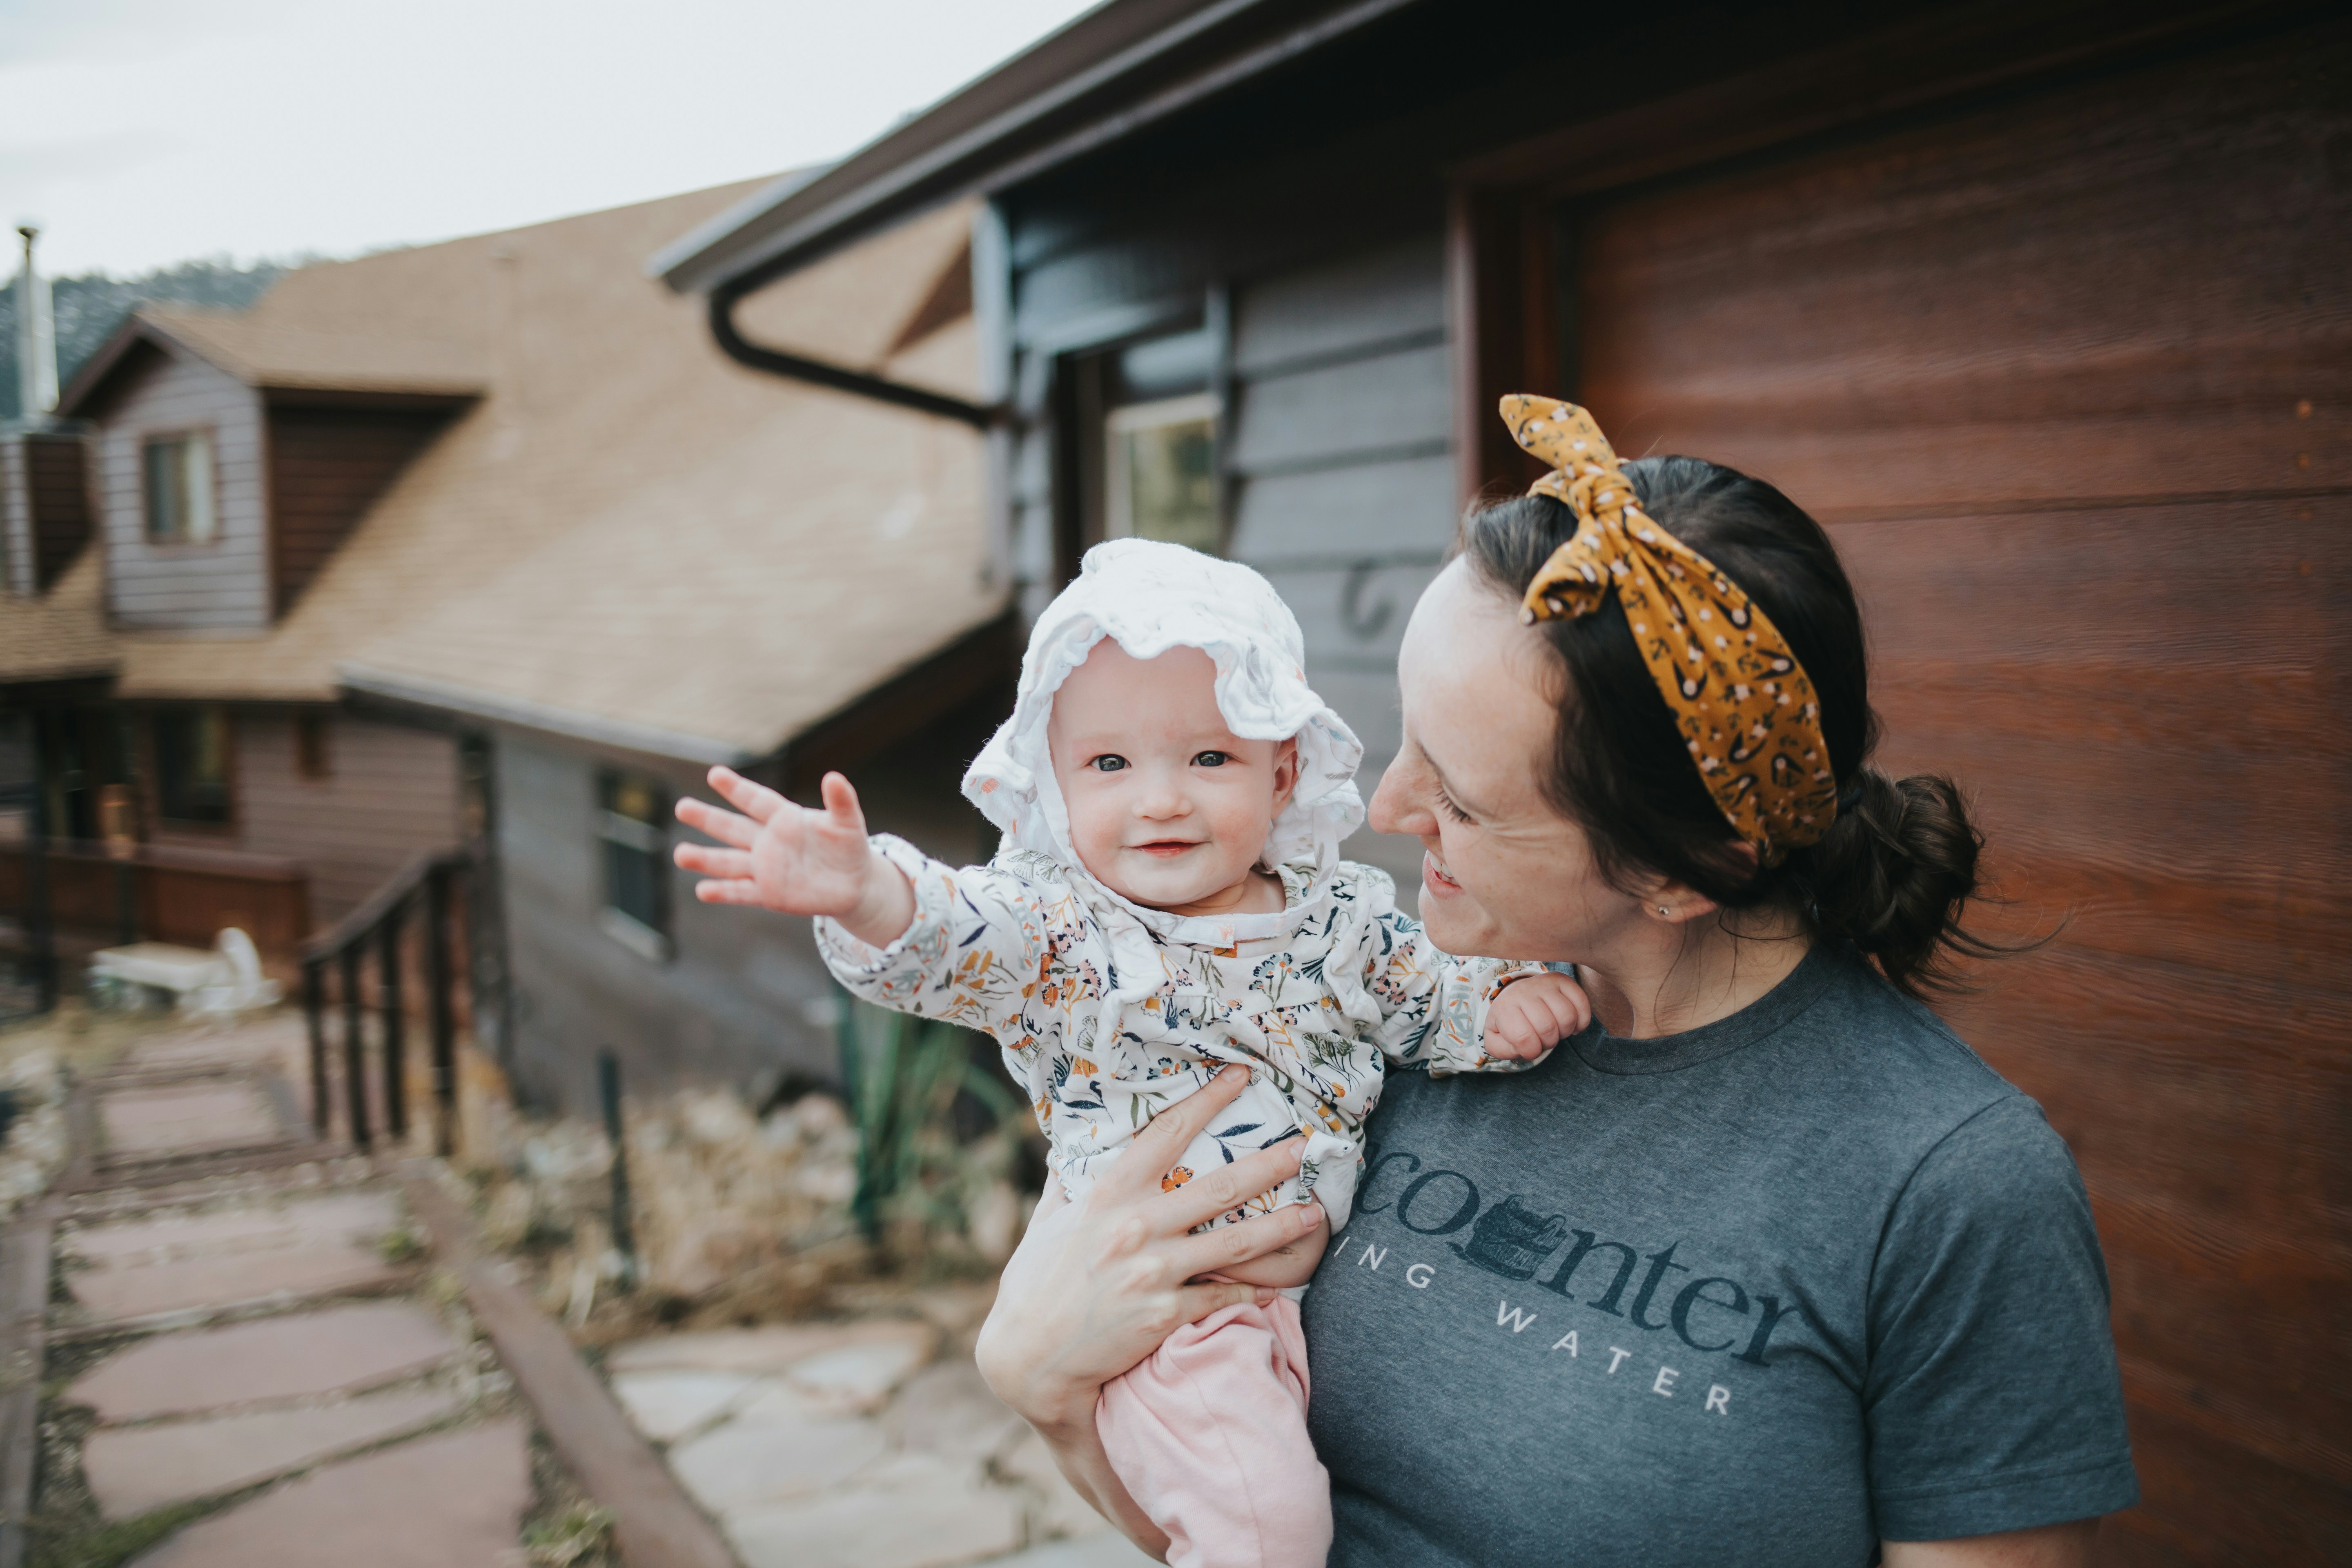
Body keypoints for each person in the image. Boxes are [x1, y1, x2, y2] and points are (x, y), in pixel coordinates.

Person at [973, 397, 2140, 1567]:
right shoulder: (1385, 1005)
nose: (1384, 810)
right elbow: (1209, 1501)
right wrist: (1044, 1382)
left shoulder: (1951, 1191)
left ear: (1686, 871)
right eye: (1404, 737)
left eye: (1462, 799)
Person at [672, 538, 1591, 1568]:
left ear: (1282, 771)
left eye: (1208, 759)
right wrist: (868, 893)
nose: (1160, 799)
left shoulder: (1338, 917)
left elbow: (1425, 995)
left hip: (1316, 1303)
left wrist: (1503, 1002)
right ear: (1055, 787)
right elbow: (952, 934)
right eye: (1109, 765)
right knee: (1267, 1532)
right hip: (1172, 1328)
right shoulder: (1064, 932)